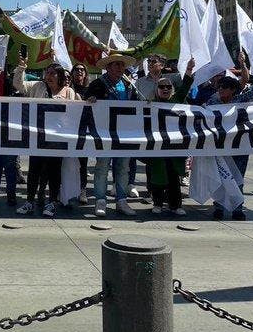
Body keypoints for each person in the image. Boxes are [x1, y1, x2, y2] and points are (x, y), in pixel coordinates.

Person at [14, 59, 79, 218]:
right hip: (38, 138)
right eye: (47, 73)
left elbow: (76, 112)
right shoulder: (37, 86)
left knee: (54, 172)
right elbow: (18, 85)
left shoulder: (68, 92)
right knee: (34, 171)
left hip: (57, 140)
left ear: (60, 76)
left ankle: (51, 203)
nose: (48, 76)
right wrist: (22, 67)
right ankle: (29, 201)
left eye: (52, 73)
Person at [206, 62, 253, 220]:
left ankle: (237, 208)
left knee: (237, 177)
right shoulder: (212, 103)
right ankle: (219, 207)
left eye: (224, 87)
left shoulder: (240, 101)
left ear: (232, 90)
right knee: (221, 178)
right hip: (219, 147)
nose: (220, 90)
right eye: (219, 87)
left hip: (239, 146)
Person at [85, 53, 140, 217]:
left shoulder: (129, 85)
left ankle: (121, 201)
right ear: (108, 67)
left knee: (123, 168)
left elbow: (137, 104)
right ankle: (100, 201)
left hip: (124, 134)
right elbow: (86, 100)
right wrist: (91, 99)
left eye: (122, 65)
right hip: (105, 133)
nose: (120, 68)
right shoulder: (97, 84)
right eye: (116, 65)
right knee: (102, 167)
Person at [147, 58, 195, 216]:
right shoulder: (151, 103)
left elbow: (186, 86)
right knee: (157, 177)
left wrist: (188, 70)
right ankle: (158, 203)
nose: (165, 89)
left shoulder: (176, 100)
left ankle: (175, 205)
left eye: (168, 86)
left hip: (174, 146)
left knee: (174, 177)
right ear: (157, 89)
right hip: (157, 146)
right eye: (162, 87)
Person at [69, 63, 90, 205]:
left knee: (83, 162)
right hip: (68, 130)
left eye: (82, 70)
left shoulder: (90, 90)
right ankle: (65, 189)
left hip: (83, 130)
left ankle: (82, 189)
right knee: (67, 162)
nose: (79, 72)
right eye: (76, 70)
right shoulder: (67, 89)